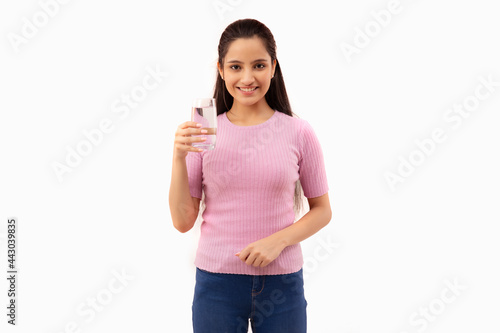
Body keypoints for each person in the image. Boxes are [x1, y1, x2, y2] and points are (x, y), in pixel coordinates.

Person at [169, 18, 332, 333]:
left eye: (258, 65)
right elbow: (182, 222)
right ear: (220, 69)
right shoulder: (203, 132)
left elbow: (322, 211)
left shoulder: (298, 132)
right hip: (216, 285)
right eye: (235, 67)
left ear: (273, 67)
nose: (247, 77)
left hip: (282, 284)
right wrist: (178, 157)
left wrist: (278, 242)